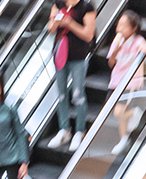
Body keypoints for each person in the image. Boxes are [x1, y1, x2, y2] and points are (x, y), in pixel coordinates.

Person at [44, 0, 96, 152]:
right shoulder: (58, 4)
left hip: (78, 57)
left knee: (78, 95)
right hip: (60, 55)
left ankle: (80, 130)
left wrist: (69, 23)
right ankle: (64, 129)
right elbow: (51, 29)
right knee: (61, 95)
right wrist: (55, 22)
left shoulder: (86, 7)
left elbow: (88, 35)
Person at [107, 10, 146, 155]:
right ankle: (126, 133)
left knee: (119, 111)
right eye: (119, 25)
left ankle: (124, 138)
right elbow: (111, 62)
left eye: (124, 26)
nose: (120, 29)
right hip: (115, 81)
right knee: (115, 112)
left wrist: (142, 49)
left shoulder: (138, 40)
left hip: (130, 82)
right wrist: (116, 50)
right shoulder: (117, 40)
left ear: (133, 28)